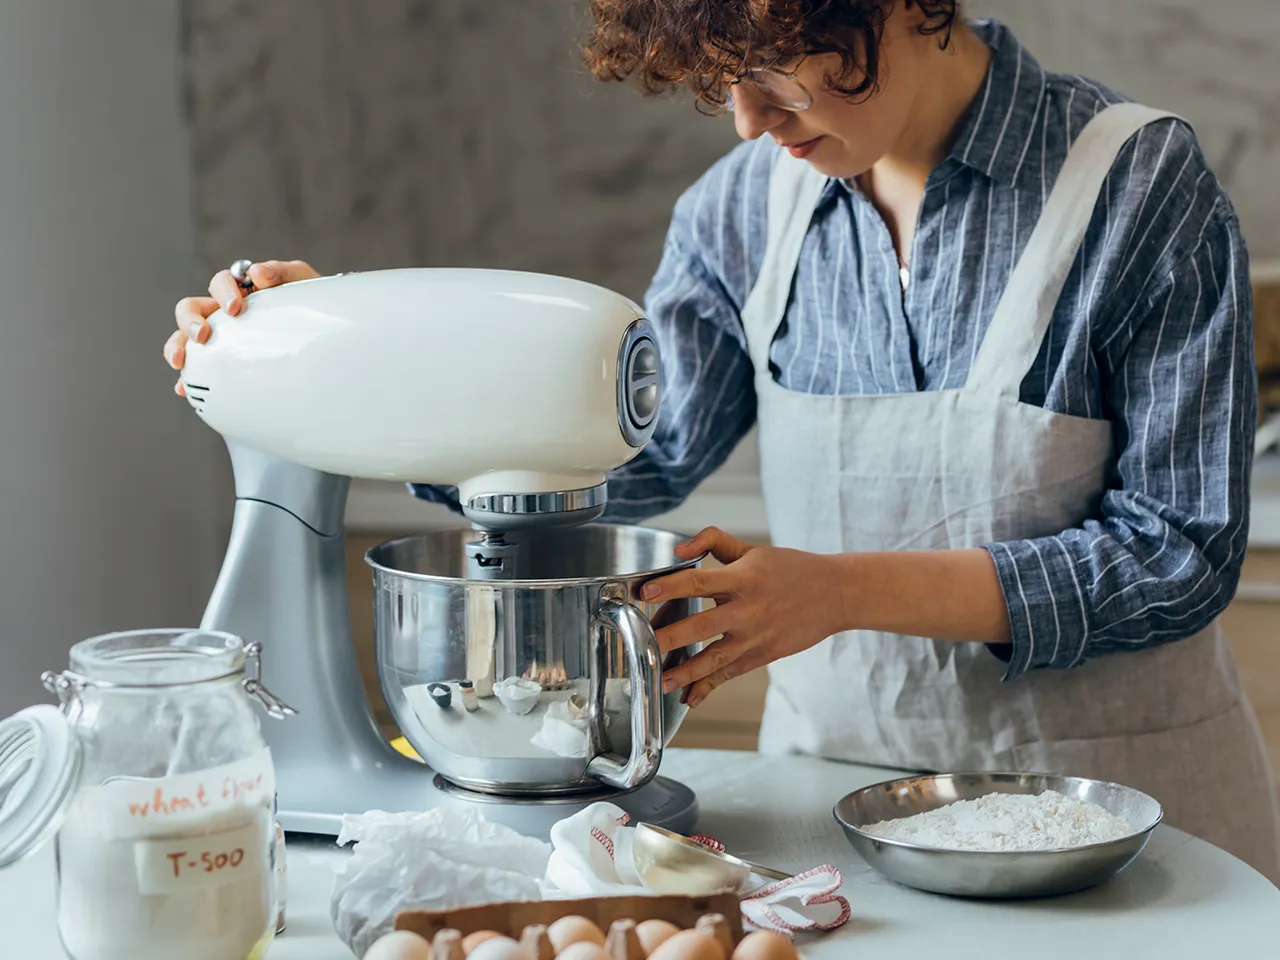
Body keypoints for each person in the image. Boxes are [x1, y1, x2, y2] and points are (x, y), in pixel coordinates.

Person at [165, 2, 1280, 881]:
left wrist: (835, 593)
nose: (748, 121)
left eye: (772, 67)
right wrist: (346, 348)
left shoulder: (1138, 188)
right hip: (836, 825)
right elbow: (619, 461)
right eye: (717, 87)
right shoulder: (740, 213)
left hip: (1122, 831)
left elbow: (1175, 555)